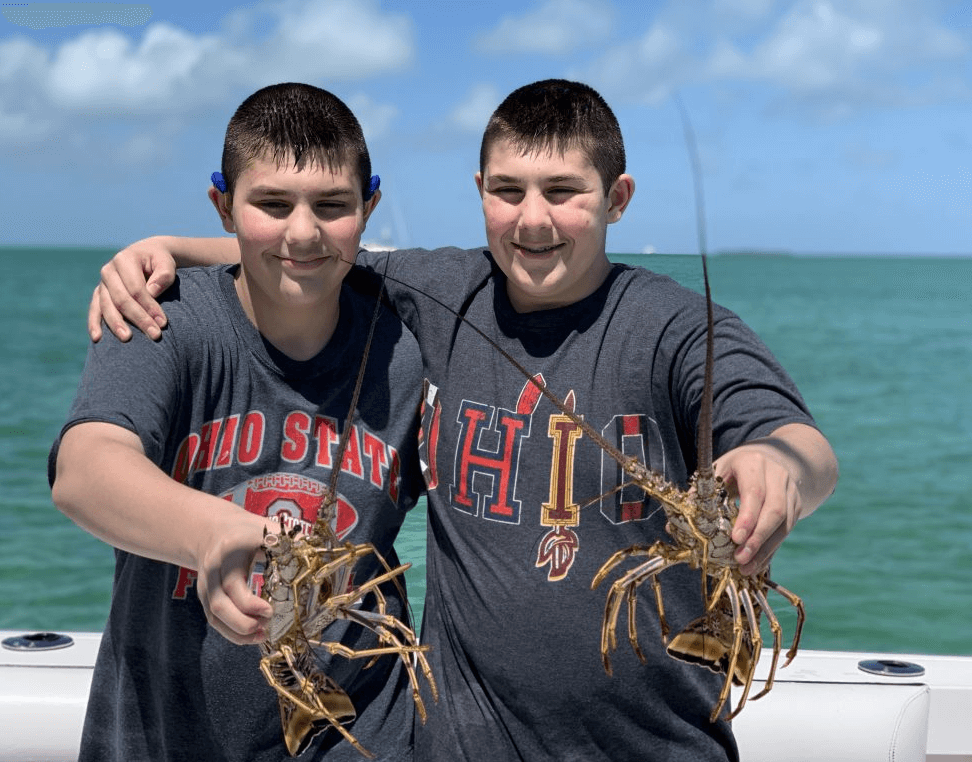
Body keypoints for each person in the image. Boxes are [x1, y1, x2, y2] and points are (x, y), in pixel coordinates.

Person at [90, 79, 839, 761]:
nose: (534, 218)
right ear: (481, 191)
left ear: (618, 198)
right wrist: (168, 249)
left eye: (565, 191)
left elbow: (794, 438)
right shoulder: (444, 292)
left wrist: (780, 470)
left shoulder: (675, 327)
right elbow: (311, 252)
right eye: (509, 191)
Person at [49, 83, 426, 762]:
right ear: (223, 205)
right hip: (168, 731)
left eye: (333, 206)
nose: (304, 231)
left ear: (369, 206)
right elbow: (85, 470)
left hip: (364, 733)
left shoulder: (407, 343)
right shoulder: (162, 317)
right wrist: (212, 533)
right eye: (272, 204)